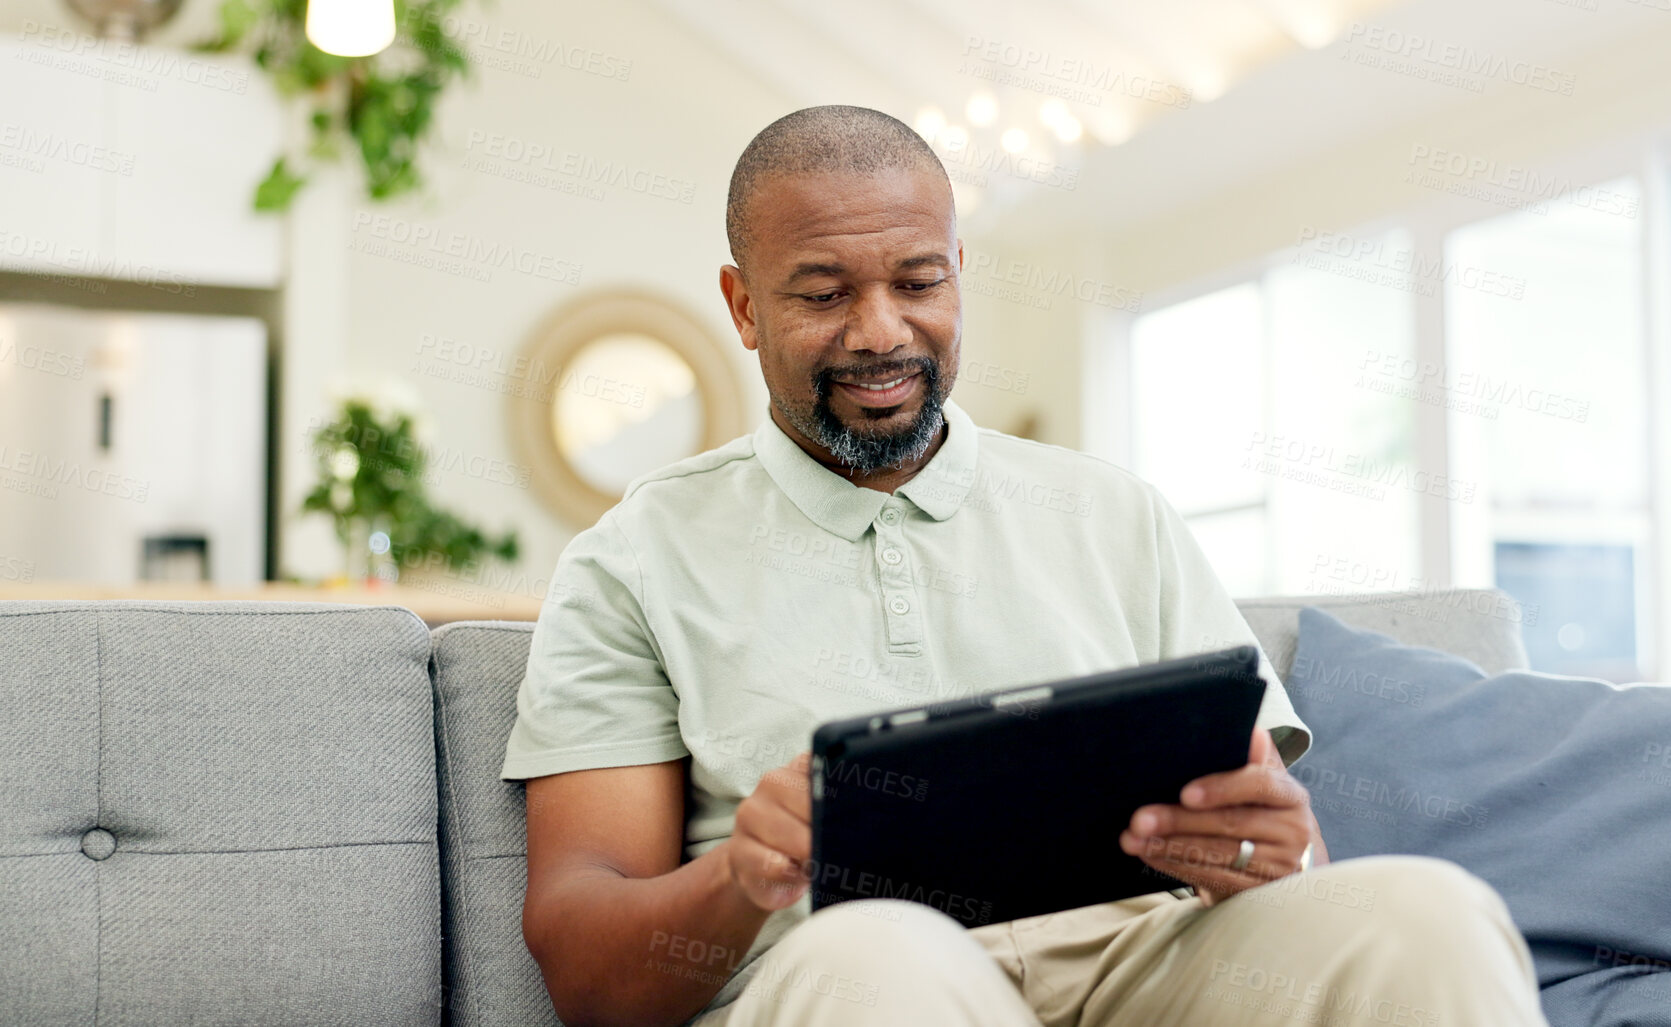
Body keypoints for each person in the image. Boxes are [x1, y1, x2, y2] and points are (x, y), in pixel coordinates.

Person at [500, 105, 1548, 1027]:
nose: (881, 331)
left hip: (1145, 968)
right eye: (822, 294)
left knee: (1429, 913)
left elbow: (1276, 848)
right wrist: (741, 874)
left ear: (960, 272)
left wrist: (1269, 854)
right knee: (880, 950)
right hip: (849, 981)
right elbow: (588, 975)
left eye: (918, 281)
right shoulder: (633, 560)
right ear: (742, 307)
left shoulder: (1113, 511)